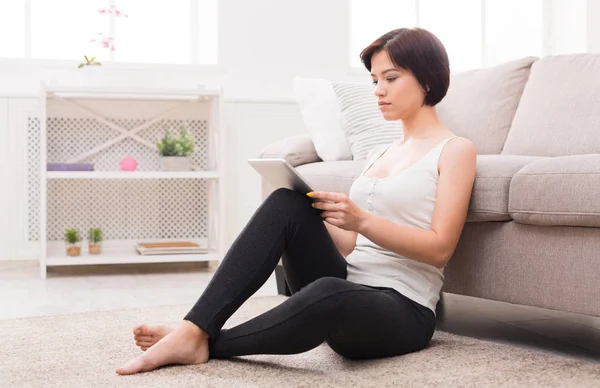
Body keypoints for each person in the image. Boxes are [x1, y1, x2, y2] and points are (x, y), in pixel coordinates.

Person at [116, 27, 477, 375]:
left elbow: (440, 248)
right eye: (374, 80)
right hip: (349, 279)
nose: (379, 90)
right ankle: (195, 327)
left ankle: (203, 343)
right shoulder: (378, 153)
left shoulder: (455, 150)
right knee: (287, 201)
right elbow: (351, 245)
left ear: (427, 79)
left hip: (402, 307)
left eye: (391, 78)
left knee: (329, 292)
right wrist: (320, 216)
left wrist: (362, 220)